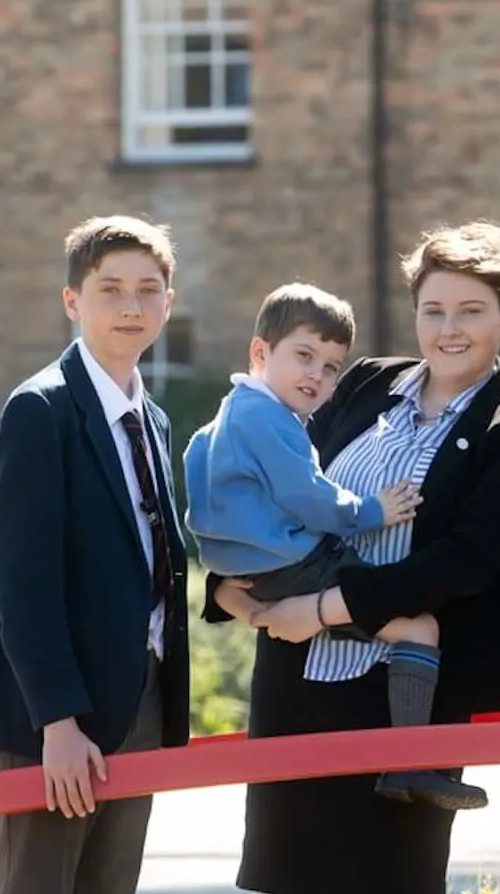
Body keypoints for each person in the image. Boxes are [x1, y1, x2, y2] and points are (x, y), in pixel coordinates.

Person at [211, 223, 500, 894]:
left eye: (471, 312)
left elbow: (460, 565)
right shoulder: (355, 384)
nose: (448, 328)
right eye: (433, 308)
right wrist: (238, 592)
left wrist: (322, 607)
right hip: (298, 689)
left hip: (408, 701)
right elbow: (261, 481)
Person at [0, 214, 191, 894]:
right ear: (72, 301)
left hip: (142, 701)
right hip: (58, 715)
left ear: (169, 303)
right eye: (110, 289)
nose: (131, 306)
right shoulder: (41, 410)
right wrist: (58, 719)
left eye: (147, 290)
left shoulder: (152, 420)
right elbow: (22, 579)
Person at [182, 282, 477, 810]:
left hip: (257, 573)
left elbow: (199, 495)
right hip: (297, 563)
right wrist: (373, 511)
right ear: (259, 352)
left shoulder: (223, 420)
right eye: (304, 356)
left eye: (331, 366)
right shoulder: (271, 421)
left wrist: (229, 571)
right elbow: (308, 496)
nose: (316, 375)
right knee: (418, 625)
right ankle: (410, 764)